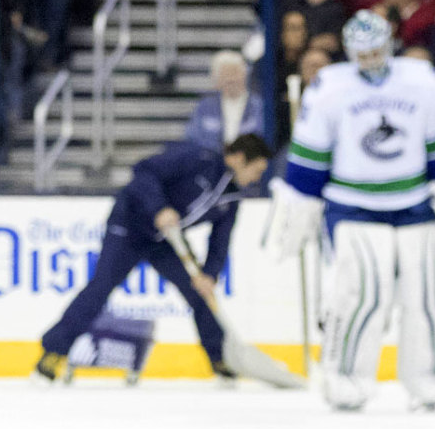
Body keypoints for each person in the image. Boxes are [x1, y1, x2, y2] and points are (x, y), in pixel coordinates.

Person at [277, 10, 435, 411]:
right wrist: (300, 202)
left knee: (431, 295)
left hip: (414, 201)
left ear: (389, 45)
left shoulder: (422, 81)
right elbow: (309, 154)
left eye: (376, 51)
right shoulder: (330, 88)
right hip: (352, 204)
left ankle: (432, 381)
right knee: (362, 294)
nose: (369, 60)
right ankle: (345, 379)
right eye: (362, 53)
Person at [35, 133, 272, 382]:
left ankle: (220, 358)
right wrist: (158, 207)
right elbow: (144, 171)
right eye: (256, 171)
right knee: (100, 287)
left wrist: (210, 275)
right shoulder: (198, 159)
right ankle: (52, 352)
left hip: (166, 240)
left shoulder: (232, 197)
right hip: (129, 227)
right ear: (238, 158)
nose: (256, 179)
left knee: (200, 294)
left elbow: (220, 240)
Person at [185, 49, 265, 153]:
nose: (231, 79)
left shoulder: (258, 106)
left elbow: (263, 136)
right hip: (212, 164)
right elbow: (193, 138)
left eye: (235, 73)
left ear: (245, 75)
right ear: (216, 78)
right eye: (225, 74)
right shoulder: (205, 107)